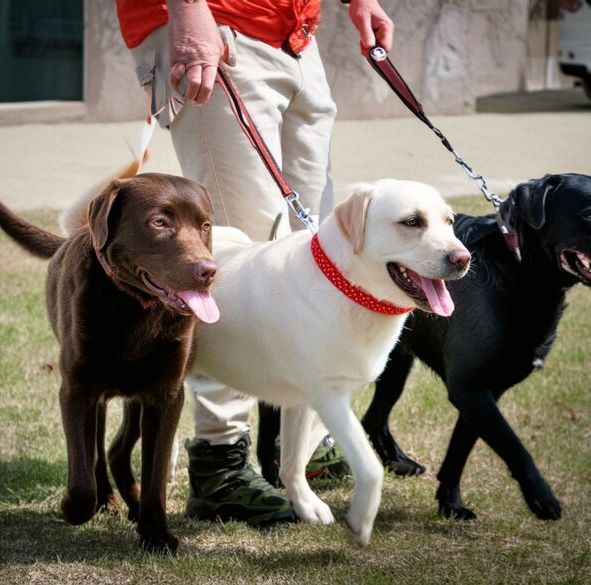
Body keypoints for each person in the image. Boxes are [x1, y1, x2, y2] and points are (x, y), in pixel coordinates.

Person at [115, 0, 395, 526]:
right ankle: (219, 462)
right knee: (238, 255)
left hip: (295, 34)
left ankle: (287, 446)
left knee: (310, 249)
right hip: (217, 26)